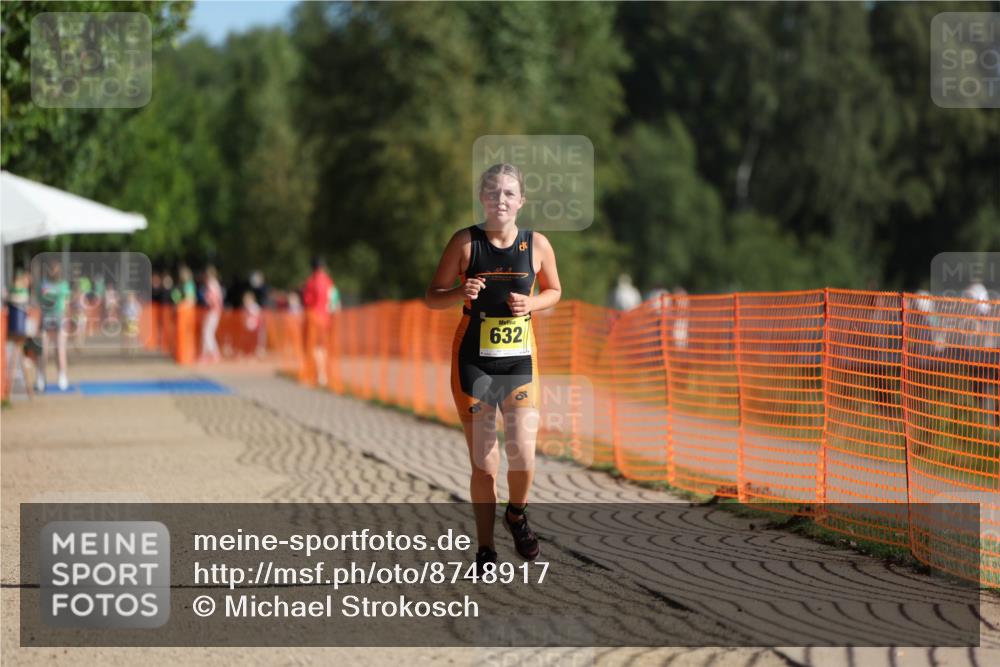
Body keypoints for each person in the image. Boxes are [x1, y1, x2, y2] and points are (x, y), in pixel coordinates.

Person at [425, 163, 562, 574]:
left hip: (519, 359)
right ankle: (485, 550)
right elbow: (432, 296)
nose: (499, 200)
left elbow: (555, 290)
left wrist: (532, 303)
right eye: (492, 192)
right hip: (474, 360)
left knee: (522, 451)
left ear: (521, 201)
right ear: (482, 198)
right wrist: (457, 292)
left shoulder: (536, 245)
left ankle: (516, 514)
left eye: (508, 193)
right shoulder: (465, 243)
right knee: (485, 464)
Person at [37, 260, 71, 391]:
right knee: (43, 350)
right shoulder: (43, 284)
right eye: (51, 269)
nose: (53, 271)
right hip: (46, 317)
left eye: (55, 269)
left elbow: (66, 303)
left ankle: (62, 376)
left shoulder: (63, 285)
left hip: (60, 317)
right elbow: (40, 301)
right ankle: (40, 376)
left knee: (60, 349)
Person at [302, 257, 335, 387]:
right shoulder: (329, 281)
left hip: (314, 318)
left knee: (314, 347)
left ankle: (319, 375)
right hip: (326, 318)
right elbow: (334, 300)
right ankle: (323, 375)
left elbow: (307, 301)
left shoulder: (311, 281)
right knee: (322, 347)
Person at [4, 268, 34, 398]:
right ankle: (23, 389)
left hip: (16, 329)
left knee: (18, 356)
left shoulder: (19, 291)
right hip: (17, 329)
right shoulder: (19, 290)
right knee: (17, 356)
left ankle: (18, 389)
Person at [199, 265, 224, 363]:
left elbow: (213, 298)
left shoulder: (212, 284)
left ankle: (213, 353)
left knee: (207, 332)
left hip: (212, 311)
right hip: (213, 310)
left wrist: (208, 302)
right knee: (207, 332)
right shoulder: (213, 284)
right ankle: (208, 353)